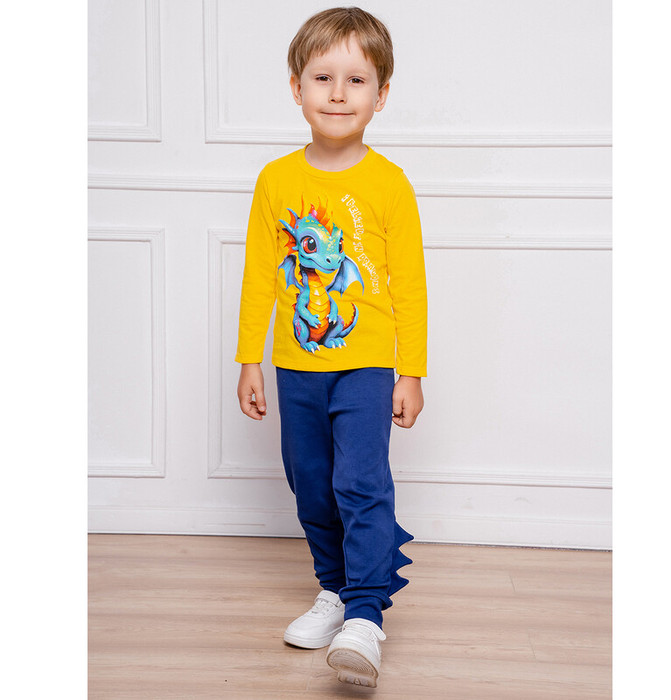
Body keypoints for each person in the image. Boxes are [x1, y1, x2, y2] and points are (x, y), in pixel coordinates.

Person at [235, 6, 427, 688]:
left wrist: (411, 371)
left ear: (381, 95)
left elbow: (409, 284)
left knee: (360, 482)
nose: (339, 93)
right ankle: (336, 589)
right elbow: (260, 275)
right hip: (296, 366)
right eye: (323, 77)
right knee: (311, 481)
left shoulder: (389, 183)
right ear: (297, 88)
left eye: (357, 79)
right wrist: (249, 359)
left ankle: (367, 615)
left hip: (367, 364)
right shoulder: (276, 180)